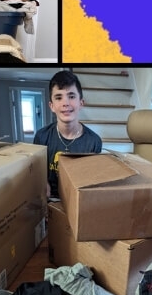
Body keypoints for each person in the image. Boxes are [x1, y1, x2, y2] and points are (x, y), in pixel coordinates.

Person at [33, 70, 103, 199]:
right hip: (50, 202)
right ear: (52, 106)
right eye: (59, 97)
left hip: (78, 200)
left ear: (81, 103)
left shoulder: (94, 141)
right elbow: (38, 173)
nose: (66, 103)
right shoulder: (41, 136)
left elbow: (92, 181)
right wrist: (44, 185)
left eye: (71, 96)